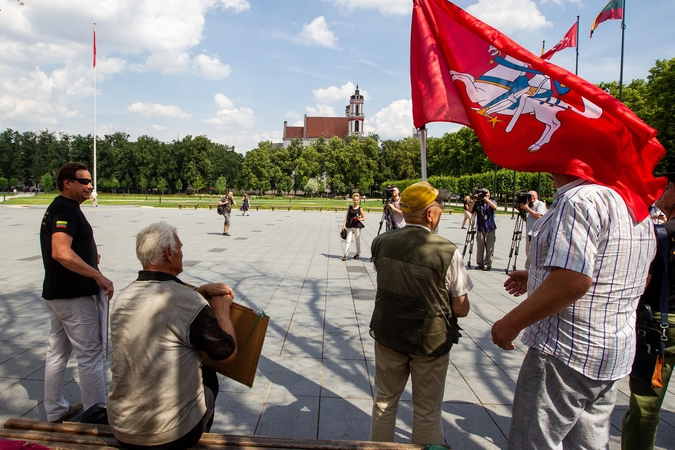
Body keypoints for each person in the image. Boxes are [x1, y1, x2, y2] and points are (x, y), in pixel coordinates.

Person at [492, 174, 655, 450]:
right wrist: (537, 276)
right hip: (611, 347)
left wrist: (510, 323)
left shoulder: (579, 200)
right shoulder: (633, 201)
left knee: (534, 442)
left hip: (565, 348)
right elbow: (627, 272)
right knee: (588, 442)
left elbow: (573, 280)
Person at [108, 222, 237, 449]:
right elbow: (227, 354)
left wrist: (198, 291)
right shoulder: (187, 302)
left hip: (122, 425)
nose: (182, 253)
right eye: (180, 248)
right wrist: (222, 307)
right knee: (208, 372)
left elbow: (162, 307)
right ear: (169, 253)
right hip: (170, 434)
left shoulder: (124, 298)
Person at [369, 181, 472, 445]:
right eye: (439, 205)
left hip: (389, 332)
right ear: (429, 213)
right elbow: (460, 308)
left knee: (384, 402)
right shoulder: (446, 251)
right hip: (429, 340)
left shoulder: (381, 242)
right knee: (427, 411)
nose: (441, 209)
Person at [40, 162, 115, 423]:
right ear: (66, 183)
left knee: (57, 351)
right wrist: (97, 275)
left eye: (90, 181)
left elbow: (68, 248)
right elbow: (60, 251)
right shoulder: (65, 208)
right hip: (74, 296)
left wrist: (88, 257)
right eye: (83, 181)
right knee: (90, 355)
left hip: (59, 294)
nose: (90, 186)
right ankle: (96, 414)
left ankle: (54, 409)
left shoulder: (61, 207)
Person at [622, 174, 675, 450]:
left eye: (666, 188)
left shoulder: (663, 234)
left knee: (645, 405)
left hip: (662, 324)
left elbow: (639, 280)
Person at [517, 190, 547, 269]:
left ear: (537, 196)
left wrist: (527, 209)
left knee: (533, 253)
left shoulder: (539, 204)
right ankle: (529, 268)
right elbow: (527, 219)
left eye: (533, 195)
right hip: (529, 232)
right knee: (528, 251)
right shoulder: (528, 205)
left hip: (537, 233)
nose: (532, 197)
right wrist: (521, 211)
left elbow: (539, 215)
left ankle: (529, 268)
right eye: (530, 196)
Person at [468, 189, 497, 270]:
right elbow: (470, 210)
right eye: (484, 194)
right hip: (480, 227)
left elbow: (494, 207)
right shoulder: (478, 203)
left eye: (487, 194)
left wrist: (486, 200)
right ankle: (479, 263)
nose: (485, 196)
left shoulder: (492, 202)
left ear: (489, 195)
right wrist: (474, 200)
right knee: (480, 247)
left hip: (490, 227)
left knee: (489, 247)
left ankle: (487, 264)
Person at [341, 193, 366, 261]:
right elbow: (346, 216)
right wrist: (344, 225)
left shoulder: (360, 209)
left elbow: (364, 218)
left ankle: (358, 253)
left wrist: (359, 219)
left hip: (357, 226)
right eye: (354, 200)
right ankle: (345, 254)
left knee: (357, 240)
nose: (356, 202)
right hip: (350, 225)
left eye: (357, 200)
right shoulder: (350, 207)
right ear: (353, 200)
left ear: (359, 200)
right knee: (348, 240)